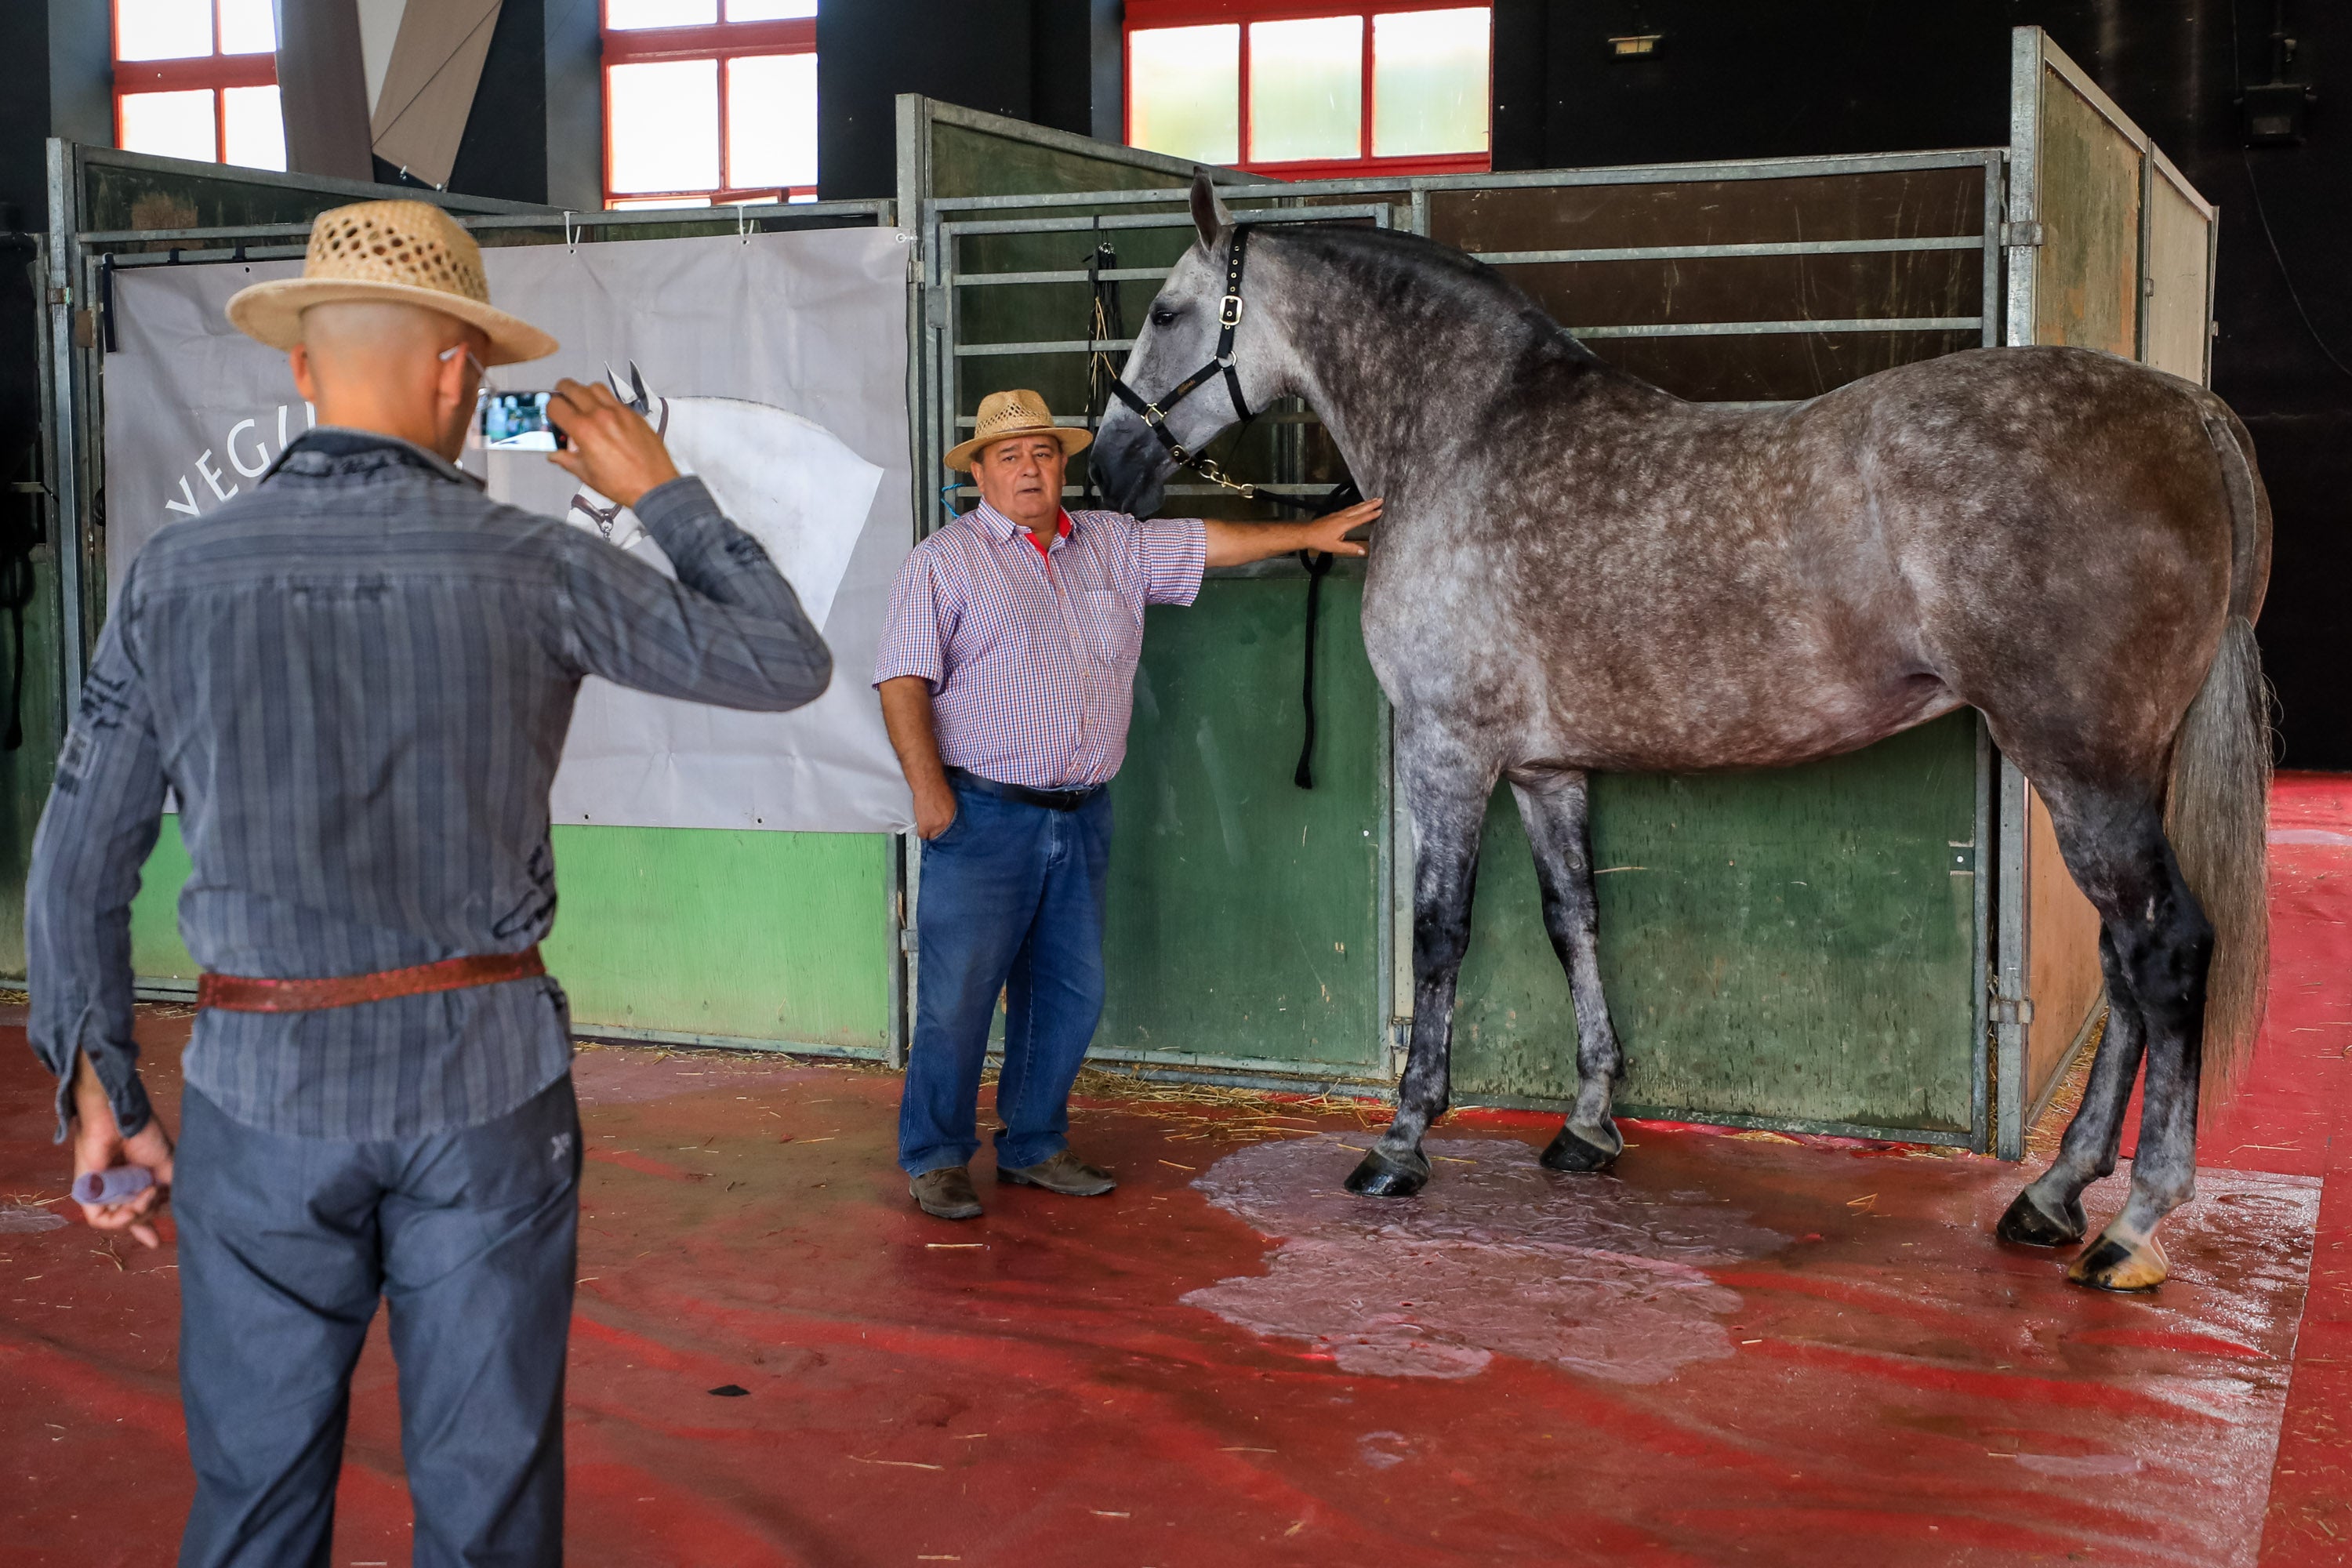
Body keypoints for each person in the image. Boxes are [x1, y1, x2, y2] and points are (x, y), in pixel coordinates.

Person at [24, 199, 833, 1566]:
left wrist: (100, 1079)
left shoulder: (178, 576)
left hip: (258, 1093)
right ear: (459, 368)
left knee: (256, 1504)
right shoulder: (539, 565)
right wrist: (661, 491)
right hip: (487, 1094)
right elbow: (783, 660)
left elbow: (78, 856)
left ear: (300, 369)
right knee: (487, 1494)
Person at [875, 388, 1380, 1220]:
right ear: (979, 473)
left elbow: (1209, 541)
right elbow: (903, 680)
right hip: (984, 811)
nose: (1028, 468)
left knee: (1069, 990)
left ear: (1063, 463)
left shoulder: (1110, 543)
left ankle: (1035, 1144)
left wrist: (1308, 532)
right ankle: (935, 1155)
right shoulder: (943, 561)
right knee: (959, 995)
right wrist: (932, 797)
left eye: (1041, 453)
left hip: (1082, 812)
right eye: (1008, 457)